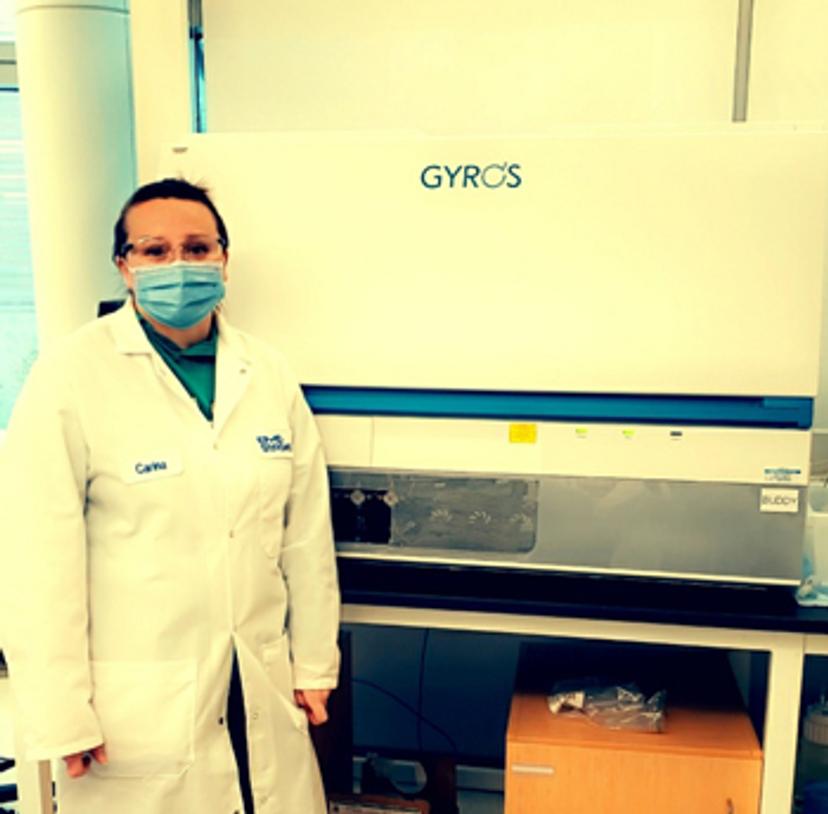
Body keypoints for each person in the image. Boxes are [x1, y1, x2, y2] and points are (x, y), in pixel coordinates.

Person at [0, 178, 341, 814]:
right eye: (155, 250)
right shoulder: (70, 377)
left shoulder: (266, 373)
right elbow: (36, 563)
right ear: (124, 266)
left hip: (261, 681)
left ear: (224, 260)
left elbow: (306, 537)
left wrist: (315, 663)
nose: (178, 264)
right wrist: (59, 710)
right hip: (136, 705)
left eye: (196, 247)